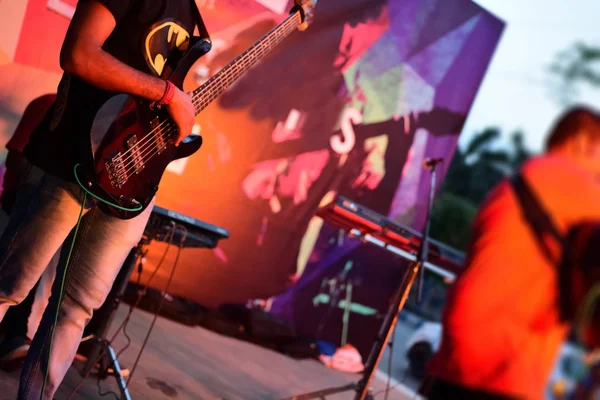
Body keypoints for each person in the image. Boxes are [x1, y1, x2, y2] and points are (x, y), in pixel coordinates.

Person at [0, 0, 203, 398]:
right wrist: (166, 93)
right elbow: (78, 53)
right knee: (9, 285)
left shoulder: (192, 12)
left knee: (74, 312)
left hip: (133, 180)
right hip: (69, 162)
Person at [422, 107, 600, 400]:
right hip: (497, 358)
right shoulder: (560, 176)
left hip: (472, 351)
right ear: (582, 142)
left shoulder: (521, 185)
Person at [0, 94, 59, 370]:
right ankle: (14, 337)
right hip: (20, 199)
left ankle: (21, 338)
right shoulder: (49, 104)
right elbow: (15, 159)